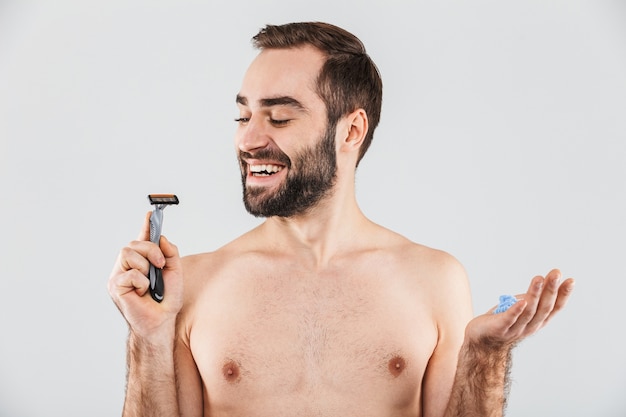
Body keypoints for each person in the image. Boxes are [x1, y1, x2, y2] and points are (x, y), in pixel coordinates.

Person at [108, 22, 575, 417]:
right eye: (243, 115)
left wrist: (485, 356)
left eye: (279, 118)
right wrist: (148, 337)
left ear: (351, 130)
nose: (248, 139)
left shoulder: (434, 280)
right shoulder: (196, 282)